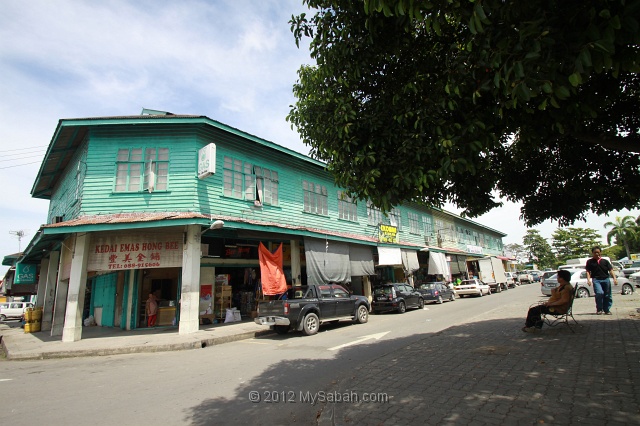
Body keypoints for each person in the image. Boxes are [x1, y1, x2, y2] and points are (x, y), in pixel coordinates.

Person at [585, 246, 618, 315]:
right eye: (595, 252)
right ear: (592, 253)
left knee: (607, 295)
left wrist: (614, 278)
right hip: (596, 280)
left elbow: (611, 270)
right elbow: (588, 271)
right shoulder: (590, 262)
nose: (597, 254)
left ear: (600, 253)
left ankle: (607, 309)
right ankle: (599, 309)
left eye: (598, 252)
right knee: (599, 293)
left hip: (606, 279)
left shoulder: (605, 261)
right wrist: (588, 280)